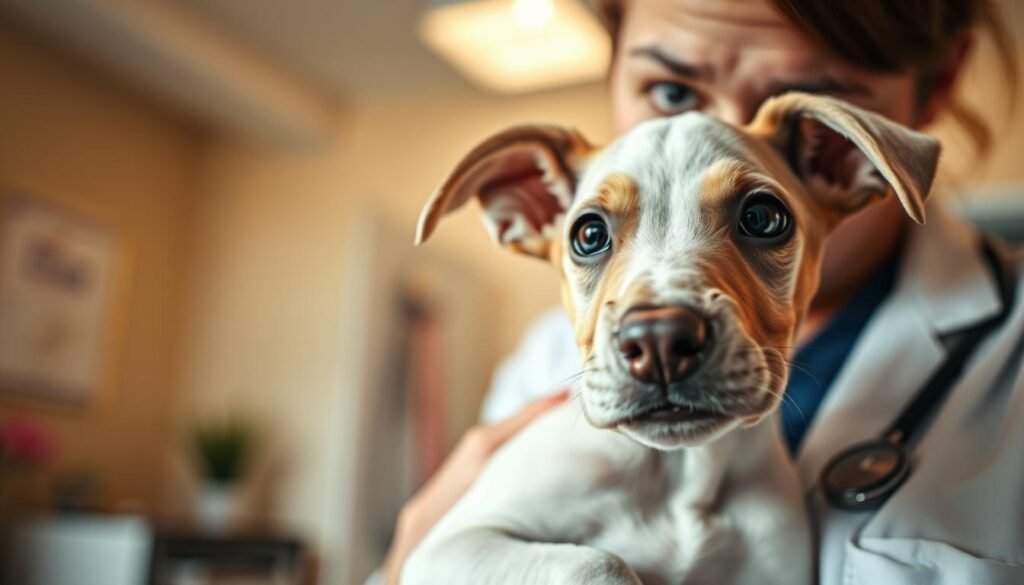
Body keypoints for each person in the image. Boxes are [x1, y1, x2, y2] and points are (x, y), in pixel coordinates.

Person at [381, 1, 1023, 583]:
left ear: (845, 156)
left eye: (758, 218)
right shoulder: (545, 367)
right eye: (670, 90)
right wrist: (402, 563)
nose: (721, 131)